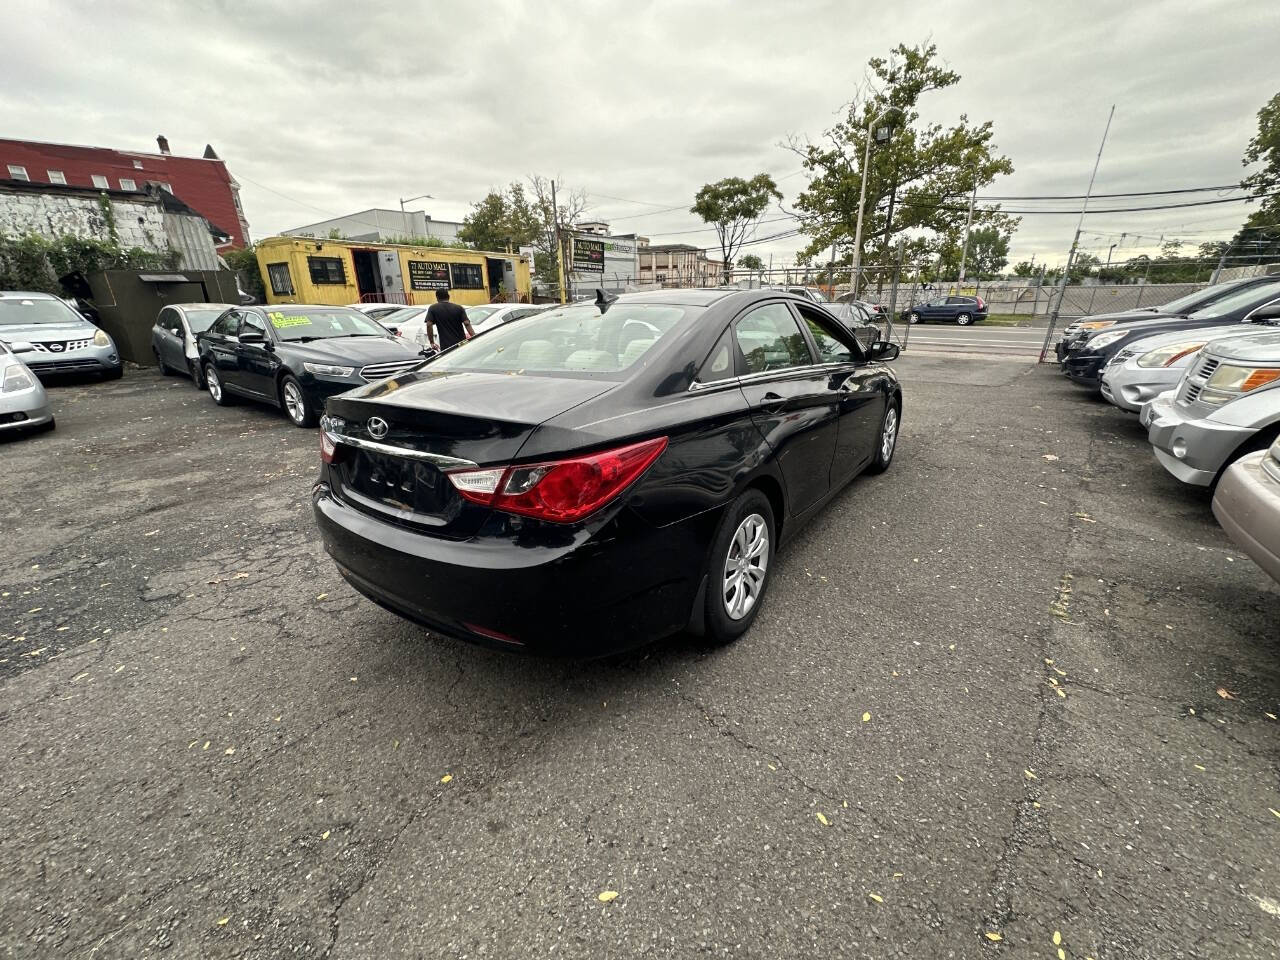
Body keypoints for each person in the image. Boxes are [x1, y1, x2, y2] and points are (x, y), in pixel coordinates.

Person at [425, 288, 474, 352]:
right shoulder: (459, 308)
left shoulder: (433, 308)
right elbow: (467, 323)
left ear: (437, 297)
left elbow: (429, 325)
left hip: (446, 346)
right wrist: (474, 337)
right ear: (448, 297)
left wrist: (432, 342)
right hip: (462, 343)